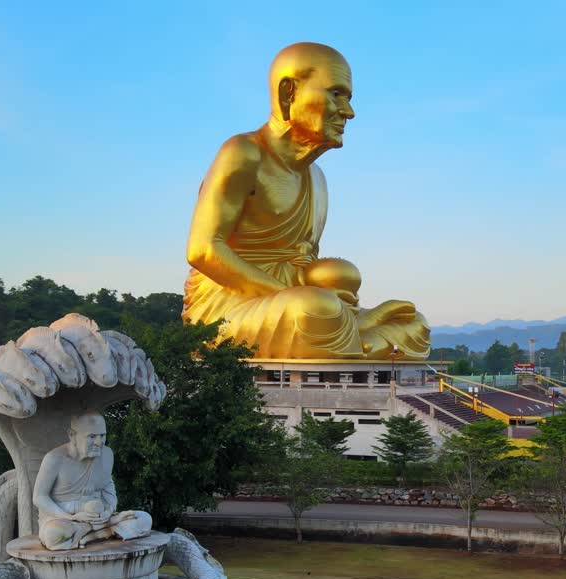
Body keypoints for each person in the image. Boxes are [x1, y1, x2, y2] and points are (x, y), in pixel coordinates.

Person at [182, 42, 430, 360]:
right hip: (229, 307)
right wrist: (300, 296)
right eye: (336, 94)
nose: (348, 112)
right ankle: (355, 334)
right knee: (314, 307)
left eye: (348, 99)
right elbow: (203, 250)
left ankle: (354, 334)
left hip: (294, 303)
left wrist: (331, 291)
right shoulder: (243, 154)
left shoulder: (317, 178)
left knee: (412, 321)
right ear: (289, 93)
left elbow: (306, 264)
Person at [32, 412, 151, 550]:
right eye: (92, 436)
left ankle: (92, 534)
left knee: (144, 519)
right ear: (72, 435)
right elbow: (39, 497)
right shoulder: (54, 459)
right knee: (53, 535)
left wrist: (109, 511)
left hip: (100, 516)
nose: (99, 442)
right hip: (63, 518)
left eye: (102, 435)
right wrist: (71, 517)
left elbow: (108, 487)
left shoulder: (106, 454)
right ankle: (103, 529)